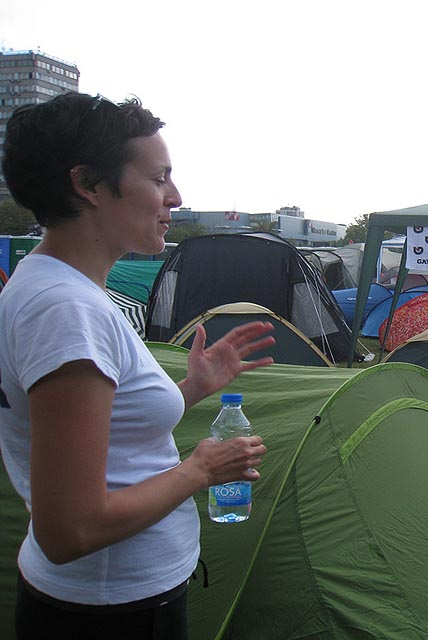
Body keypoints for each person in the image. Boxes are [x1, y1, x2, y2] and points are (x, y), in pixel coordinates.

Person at [0, 92, 276, 639]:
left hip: (102, 598)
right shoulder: (66, 309)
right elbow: (70, 529)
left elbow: (105, 429)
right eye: (158, 179)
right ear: (90, 185)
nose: (175, 196)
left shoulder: (54, 287)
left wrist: (192, 387)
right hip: (109, 609)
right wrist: (200, 470)